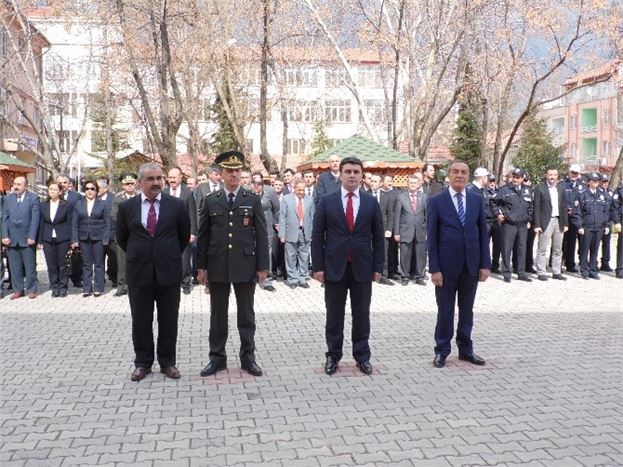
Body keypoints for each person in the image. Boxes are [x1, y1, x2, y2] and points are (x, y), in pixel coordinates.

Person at [196, 151, 269, 378]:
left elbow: (262, 235)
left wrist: (262, 267)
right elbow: (203, 236)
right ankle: (217, 359)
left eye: (237, 171)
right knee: (218, 316)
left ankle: (248, 358)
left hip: (245, 265)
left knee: (246, 316)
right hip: (217, 265)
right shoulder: (211, 200)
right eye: (229, 171)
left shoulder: (252, 199)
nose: (234, 175)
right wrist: (201, 267)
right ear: (221, 174)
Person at [116, 163, 191, 382]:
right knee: (141, 320)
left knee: (169, 320)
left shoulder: (176, 205)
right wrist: (141, 254)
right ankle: (142, 363)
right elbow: (122, 238)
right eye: (151, 179)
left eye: (159, 178)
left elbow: (183, 236)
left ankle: (168, 362)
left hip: (168, 271)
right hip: (139, 272)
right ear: (140, 183)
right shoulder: (126, 207)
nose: (156, 182)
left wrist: (165, 254)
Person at [312, 156, 384, 376]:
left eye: (356, 172)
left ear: (362, 176)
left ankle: (362, 356)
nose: (352, 175)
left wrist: (378, 267)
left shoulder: (371, 202)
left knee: (362, 314)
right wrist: (318, 267)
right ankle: (333, 356)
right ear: (340, 175)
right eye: (348, 172)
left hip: (362, 267)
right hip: (334, 267)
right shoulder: (327, 200)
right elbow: (317, 236)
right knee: (334, 315)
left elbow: (378, 237)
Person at [427, 160, 491, 368]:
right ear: (449, 175)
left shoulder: (476, 199)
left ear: (468, 175)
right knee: (445, 310)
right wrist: (434, 268)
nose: (460, 175)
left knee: (467, 310)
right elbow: (432, 237)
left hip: (471, 266)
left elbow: (482, 233)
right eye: (456, 171)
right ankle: (442, 350)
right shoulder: (437, 201)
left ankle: (465, 349)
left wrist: (485, 264)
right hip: (445, 268)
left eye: (464, 172)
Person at [2, 176, 40, 299]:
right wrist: (5, 235)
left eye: (19, 184)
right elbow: (4, 218)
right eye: (15, 184)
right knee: (14, 266)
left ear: (26, 186)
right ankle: (18, 290)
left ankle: (31, 289)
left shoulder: (33, 198)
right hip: (12, 238)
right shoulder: (8, 198)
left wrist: (32, 235)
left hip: (27, 237)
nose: (16, 186)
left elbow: (35, 218)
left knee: (30, 266)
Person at [492, 168, 533, 283]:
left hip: (523, 225)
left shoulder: (527, 190)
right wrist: (498, 215)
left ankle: (521, 272)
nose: (515, 179)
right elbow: (493, 202)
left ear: (522, 178)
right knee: (506, 249)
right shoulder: (504, 190)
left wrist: (529, 218)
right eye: (513, 176)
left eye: (518, 177)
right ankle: (506, 273)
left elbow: (531, 206)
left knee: (521, 249)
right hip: (509, 224)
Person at [71, 180, 111, 297]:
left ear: (96, 190)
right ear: (84, 191)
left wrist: (105, 238)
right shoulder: (79, 204)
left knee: (99, 263)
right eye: (87, 188)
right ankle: (87, 288)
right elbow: (75, 223)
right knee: (86, 264)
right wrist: (75, 239)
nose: (90, 191)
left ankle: (98, 288)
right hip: (83, 237)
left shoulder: (103, 204)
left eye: (92, 188)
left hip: (98, 237)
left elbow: (107, 223)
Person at [164, 167, 197, 295]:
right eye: (170, 177)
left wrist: (192, 232)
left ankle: (185, 283)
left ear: (180, 178)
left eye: (174, 177)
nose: (172, 180)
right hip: (167, 233)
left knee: (184, 261)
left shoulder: (187, 193)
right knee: (169, 259)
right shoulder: (164, 192)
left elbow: (192, 214)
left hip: (184, 233)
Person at [533, 168, 569, 281]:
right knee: (542, 248)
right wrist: (537, 224)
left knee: (558, 248)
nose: (552, 177)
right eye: (550, 175)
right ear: (546, 176)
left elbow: (564, 207)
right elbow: (536, 207)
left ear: (557, 176)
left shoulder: (561, 188)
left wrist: (566, 223)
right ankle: (541, 272)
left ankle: (556, 271)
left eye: (554, 175)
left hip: (559, 221)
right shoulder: (540, 188)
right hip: (545, 221)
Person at [38, 182, 72, 297]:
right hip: (48, 238)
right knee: (51, 264)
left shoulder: (66, 205)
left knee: (62, 264)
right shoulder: (43, 205)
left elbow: (70, 223)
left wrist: (72, 240)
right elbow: (41, 223)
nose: (52, 191)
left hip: (63, 238)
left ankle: (63, 287)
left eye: (55, 189)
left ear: (60, 192)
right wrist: (40, 241)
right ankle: (54, 287)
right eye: (50, 189)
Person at [279, 180, 314, 289]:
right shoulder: (286, 199)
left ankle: (303, 278)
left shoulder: (309, 199)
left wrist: (312, 232)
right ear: (294, 188)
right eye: (299, 190)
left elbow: (312, 217)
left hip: (305, 232)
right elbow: (282, 218)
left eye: (303, 190)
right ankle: (292, 279)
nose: (301, 192)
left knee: (304, 256)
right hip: (291, 232)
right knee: (290, 256)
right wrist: (282, 234)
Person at [394, 173, 428, 286]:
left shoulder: (424, 197)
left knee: (421, 255)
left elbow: (427, 216)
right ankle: (405, 276)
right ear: (407, 184)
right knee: (405, 254)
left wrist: (427, 231)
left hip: (420, 230)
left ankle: (419, 276)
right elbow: (397, 216)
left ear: (418, 184)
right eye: (411, 183)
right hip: (405, 230)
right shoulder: (401, 197)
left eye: (415, 183)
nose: (413, 185)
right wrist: (397, 232)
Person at [578, 173, 610, 280]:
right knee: (584, 249)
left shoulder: (602, 194)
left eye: (597, 180)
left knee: (595, 250)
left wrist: (606, 225)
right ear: (588, 182)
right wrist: (580, 226)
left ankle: (593, 270)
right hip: (587, 227)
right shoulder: (583, 194)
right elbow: (578, 212)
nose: (596, 182)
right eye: (593, 180)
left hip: (599, 227)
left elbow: (605, 212)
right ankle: (584, 271)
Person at [250, 174, 280, 292]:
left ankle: (266, 280)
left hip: (266, 227)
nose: (257, 186)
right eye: (254, 183)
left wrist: (276, 223)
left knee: (266, 252)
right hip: (250, 228)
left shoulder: (270, 191)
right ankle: (251, 277)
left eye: (260, 184)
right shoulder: (246, 191)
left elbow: (276, 208)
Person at [111, 173, 138, 297]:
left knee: (137, 262)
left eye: (131, 183)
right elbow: (114, 215)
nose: (130, 186)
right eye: (127, 184)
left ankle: (136, 285)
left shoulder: (141, 197)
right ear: (123, 186)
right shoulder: (118, 198)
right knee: (122, 264)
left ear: (136, 184)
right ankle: (121, 287)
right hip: (122, 236)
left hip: (138, 236)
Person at [56, 174, 83, 288]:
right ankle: (60, 281)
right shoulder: (53, 196)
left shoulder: (76, 196)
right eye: (60, 183)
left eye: (65, 182)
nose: (62, 185)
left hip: (73, 229)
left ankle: (76, 279)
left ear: (68, 184)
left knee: (75, 257)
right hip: (58, 231)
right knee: (59, 258)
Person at [369, 174, 395, 285]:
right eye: (371, 181)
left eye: (375, 181)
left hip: (383, 228)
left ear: (380, 183)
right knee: (367, 251)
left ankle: (382, 275)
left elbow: (390, 213)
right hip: (367, 229)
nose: (372, 183)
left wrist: (389, 228)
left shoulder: (387, 196)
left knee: (383, 252)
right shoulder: (364, 195)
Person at [561, 164, 586, 272]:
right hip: (565, 216)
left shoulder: (583, 185)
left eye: (576, 173)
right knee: (565, 241)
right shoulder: (562, 184)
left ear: (579, 174)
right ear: (569, 172)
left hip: (578, 216)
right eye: (572, 172)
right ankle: (563, 263)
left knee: (577, 241)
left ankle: (576, 263)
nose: (574, 175)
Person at [97, 178, 117, 288]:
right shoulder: (92, 199)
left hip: (111, 233)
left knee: (113, 258)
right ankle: (100, 280)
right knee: (99, 259)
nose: (95, 189)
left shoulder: (113, 199)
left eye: (98, 187)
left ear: (105, 189)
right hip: (97, 234)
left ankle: (113, 277)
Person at [599, 174, 614, 271]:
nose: (605, 184)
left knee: (607, 244)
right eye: (603, 181)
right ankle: (592, 263)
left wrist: (609, 223)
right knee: (593, 244)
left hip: (607, 222)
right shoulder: (595, 192)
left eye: (606, 182)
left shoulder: (610, 193)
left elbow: (612, 209)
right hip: (597, 223)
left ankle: (605, 263)